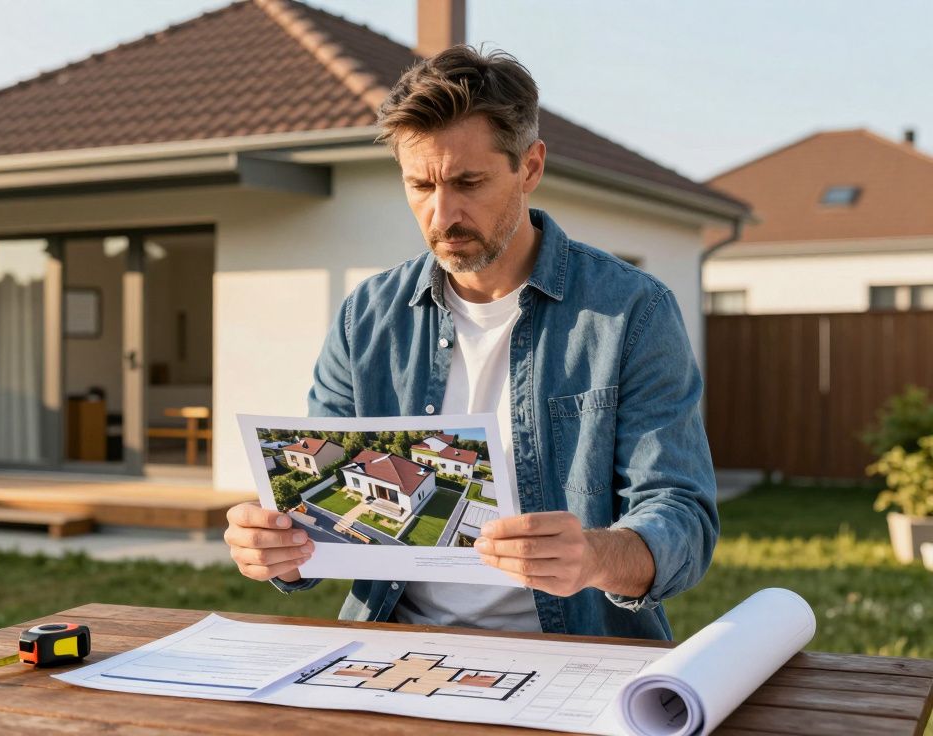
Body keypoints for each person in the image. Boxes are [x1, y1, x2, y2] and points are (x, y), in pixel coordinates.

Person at [223, 46, 719, 640]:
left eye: (468, 182)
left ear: (530, 167)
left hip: (576, 649)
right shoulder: (367, 317)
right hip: (399, 644)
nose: (442, 213)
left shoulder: (631, 313)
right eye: (420, 185)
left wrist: (594, 556)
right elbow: (321, 506)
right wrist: (278, 547)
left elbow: (682, 518)